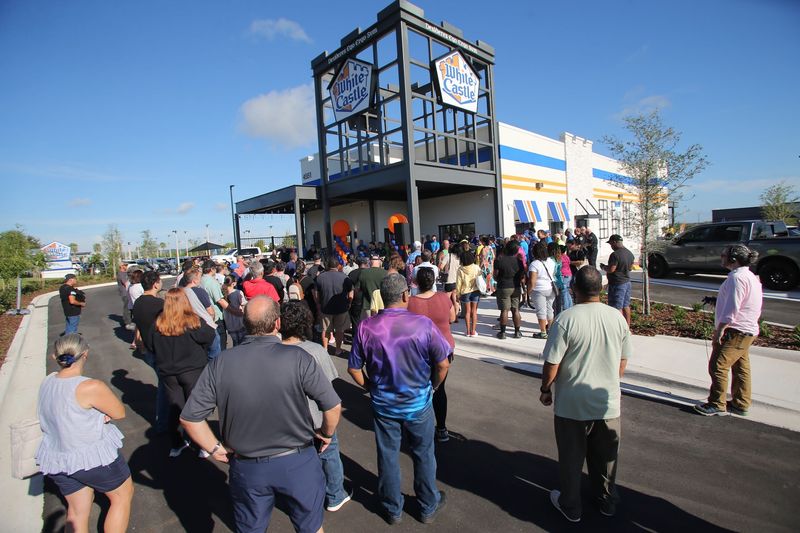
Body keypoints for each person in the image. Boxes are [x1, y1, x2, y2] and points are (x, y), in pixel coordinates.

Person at [180, 296, 342, 533]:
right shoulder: (298, 358)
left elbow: (190, 418)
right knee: (311, 527)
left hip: (247, 466)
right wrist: (326, 434)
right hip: (297, 462)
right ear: (277, 323)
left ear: (244, 323)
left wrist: (215, 448)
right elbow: (332, 406)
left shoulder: (221, 363)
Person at [348, 274, 451, 524]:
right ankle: (427, 504)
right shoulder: (423, 325)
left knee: (388, 455)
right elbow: (443, 364)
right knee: (423, 454)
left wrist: (370, 387)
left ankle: (392, 508)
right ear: (405, 295)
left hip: (384, 404)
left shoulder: (366, 327)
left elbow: (353, 368)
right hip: (418, 402)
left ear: (382, 297)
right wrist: (434, 387)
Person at [539, 266, 632, 522]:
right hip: (607, 402)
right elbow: (622, 362)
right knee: (606, 459)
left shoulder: (565, 319)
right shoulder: (617, 318)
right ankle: (606, 501)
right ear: (601, 289)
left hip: (571, 405)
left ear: (573, 288)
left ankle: (571, 506)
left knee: (571, 458)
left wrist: (546, 389)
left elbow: (552, 363)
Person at [36, 334, 134, 533]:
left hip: (58, 459)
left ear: (55, 357)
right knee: (121, 497)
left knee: (76, 513)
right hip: (90, 458)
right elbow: (119, 412)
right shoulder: (90, 386)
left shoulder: (47, 381)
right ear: (85, 354)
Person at [281, 301, 352, 512]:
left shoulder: (272, 351)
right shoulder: (315, 350)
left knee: (295, 460)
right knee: (329, 454)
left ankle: (302, 496)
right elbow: (328, 388)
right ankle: (335, 494)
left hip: (288, 420)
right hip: (317, 418)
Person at [694, 244, 763, 417]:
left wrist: (720, 330)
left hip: (736, 330)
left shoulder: (736, 278)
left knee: (717, 366)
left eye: (723, 255)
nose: (721, 257)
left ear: (733, 259)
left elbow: (733, 308)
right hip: (748, 330)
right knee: (740, 368)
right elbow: (742, 301)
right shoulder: (750, 276)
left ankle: (717, 403)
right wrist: (717, 301)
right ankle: (741, 403)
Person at [149, 288, 217, 457]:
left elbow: (150, 345)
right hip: (192, 370)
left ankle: (177, 444)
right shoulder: (192, 320)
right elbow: (209, 336)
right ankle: (203, 446)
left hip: (169, 374)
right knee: (196, 408)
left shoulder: (158, 324)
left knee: (176, 408)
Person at [408, 267, 455, 442]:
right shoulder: (444, 298)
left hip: (420, 351)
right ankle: (441, 428)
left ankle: (419, 428)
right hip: (444, 349)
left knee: (419, 387)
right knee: (439, 389)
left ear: (416, 282)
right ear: (434, 280)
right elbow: (452, 318)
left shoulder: (410, 302)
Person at [132, 271, 168, 433]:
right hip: (161, 350)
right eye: (160, 280)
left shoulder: (138, 303)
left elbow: (138, 327)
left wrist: (140, 345)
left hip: (148, 349)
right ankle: (163, 423)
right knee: (165, 389)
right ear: (155, 284)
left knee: (164, 385)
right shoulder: (159, 305)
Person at [314, 257, 354, 355]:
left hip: (325, 308)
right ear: (337, 266)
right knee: (340, 330)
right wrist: (349, 303)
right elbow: (351, 292)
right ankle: (338, 349)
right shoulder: (344, 277)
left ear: (328, 266)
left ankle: (325, 349)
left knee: (325, 330)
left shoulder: (320, 277)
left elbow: (316, 294)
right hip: (341, 308)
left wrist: (318, 304)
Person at [493, 240, 525, 339]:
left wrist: (498, 280)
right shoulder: (519, 261)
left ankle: (502, 332)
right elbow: (522, 276)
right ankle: (517, 332)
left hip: (503, 286)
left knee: (504, 310)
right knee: (515, 310)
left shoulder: (499, 260)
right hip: (516, 286)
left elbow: (495, 275)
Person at [602, 235, 634, 326]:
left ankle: (619, 328)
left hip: (617, 283)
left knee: (617, 307)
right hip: (627, 282)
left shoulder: (615, 255)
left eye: (611, 244)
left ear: (615, 242)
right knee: (625, 305)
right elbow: (630, 268)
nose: (611, 246)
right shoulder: (629, 253)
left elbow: (611, 269)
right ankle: (627, 326)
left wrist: (604, 267)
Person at [527, 241, 557, 339]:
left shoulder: (534, 264)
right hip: (550, 288)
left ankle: (543, 332)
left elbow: (532, 281)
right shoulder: (551, 261)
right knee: (550, 309)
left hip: (538, 289)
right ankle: (551, 330)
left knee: (541, 311)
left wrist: (528, 291)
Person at [201, 260, 229, 351]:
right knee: (221, 342)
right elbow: (220, 300)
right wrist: (233, 310)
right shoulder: (212, 282)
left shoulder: (200, 280)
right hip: (216, 316)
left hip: (205, 315)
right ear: (212, 269)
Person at [455, 250, 481, 337]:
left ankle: (468, 331)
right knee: (474, 311)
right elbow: (480, 278)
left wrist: (458, 294)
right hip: (475, 290)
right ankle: (473, 331)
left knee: (467, 312)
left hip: (465, 292)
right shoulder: (476, 267)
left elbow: (458, 283)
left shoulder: (460, 269)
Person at [358, 254, 388, 318]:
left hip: (368, 306)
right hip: (382, 306)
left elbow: (359, 289)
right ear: (379, 262)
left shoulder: (363, 272)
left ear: (370, 262)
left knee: (368, 324)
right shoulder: (386, 273)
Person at [222, 275, 247, 347]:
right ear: (234, 283)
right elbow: (243, 305)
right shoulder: (238, 293)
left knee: (235, 342)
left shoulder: (222, 293)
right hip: (239, 322)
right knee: (242, 343)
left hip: (229, 322)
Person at [116, 263, 132, 330]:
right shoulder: (121, 274)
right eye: (125, 265)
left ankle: (129, 321)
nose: (126, 266)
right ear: (121, 266)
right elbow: (125, 283)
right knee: (127, 308)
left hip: (128, 292)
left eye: (126, 265)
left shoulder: (125, 273)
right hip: (125, 293)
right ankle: (127, 323)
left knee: (129, 307)